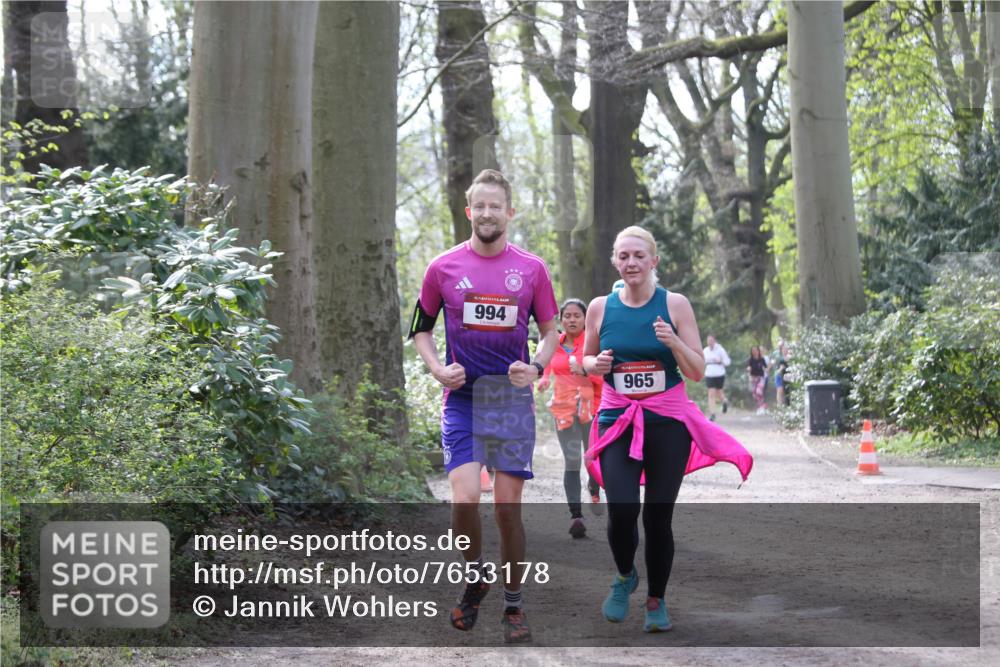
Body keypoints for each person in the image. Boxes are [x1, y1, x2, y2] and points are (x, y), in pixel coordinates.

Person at [410, 169, 558, 643]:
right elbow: (421, 327)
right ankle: (475, 576)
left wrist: (535, 367)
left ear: (509, 213)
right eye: (481, 205)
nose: (488, 213)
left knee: (508, 511)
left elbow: (554, 331)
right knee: (465, 497)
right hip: (464, 398)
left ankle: (514, 605)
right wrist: (436, 368)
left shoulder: (532, 269)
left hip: (509, 399)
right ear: (468, 211)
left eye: (498, 206)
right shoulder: (442, 267)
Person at [581, 226, 753, 633]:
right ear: (615, 262)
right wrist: (595, 366)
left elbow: (695, 370)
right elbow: (584, 359)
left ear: (654, 260)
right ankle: (625, 576)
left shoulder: (674, 304)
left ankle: (656, 599)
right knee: (622, 509)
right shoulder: (599, 307)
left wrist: (673, 342)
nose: (632, 263)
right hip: (617, 419)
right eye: (623, 256)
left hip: (667, 423)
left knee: (658, 517)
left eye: (639, 255)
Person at [537, 298, 605, 539]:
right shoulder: (554, 342)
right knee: (572, 461)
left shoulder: (593, 342)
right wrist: (544, 379)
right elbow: (546, 365)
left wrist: (586, 371)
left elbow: (605, 377)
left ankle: (594, 489)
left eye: (577, 316)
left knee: (592, 458)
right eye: (567, 316)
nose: (572, 320)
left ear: (585, 319)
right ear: (561, 319)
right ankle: (576, 516)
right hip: (563, 408)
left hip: (592, 408)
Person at [703, 334, 731, 421]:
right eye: (708, 341)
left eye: (711, 340)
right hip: (709, 374)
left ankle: (725, 401)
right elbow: (701, 361)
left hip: (719, 374)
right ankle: (712, 414)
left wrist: (720, 361)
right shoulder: (705, 351)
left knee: (719, 392)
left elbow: (728, 361)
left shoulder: (720, 350)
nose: (709, 342)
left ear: (714, 341)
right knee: (711, 393)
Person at [746, 345, 769, 413]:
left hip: (761, 378)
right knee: (754, 395)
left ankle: (762, 406)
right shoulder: (750, 359)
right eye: (753, 351)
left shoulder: (762, 359)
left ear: (758, 351)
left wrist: (766, 369)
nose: (755, 352)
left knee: (759, 391)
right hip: (753, 378)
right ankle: (761, 406)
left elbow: (765, 367)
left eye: (756, 350)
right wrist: (748, 369)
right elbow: (748, 367)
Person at [769, 340, 790, 407]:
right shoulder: (775, 353)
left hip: (786, 375)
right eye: (780, 346)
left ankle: (785, 404)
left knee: (786, 390)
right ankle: (779, 405)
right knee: (780, 389)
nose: (781, 347)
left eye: (782, 345)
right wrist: (769, 367)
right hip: (778, 374)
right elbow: (771, 362)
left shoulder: (788, 354)